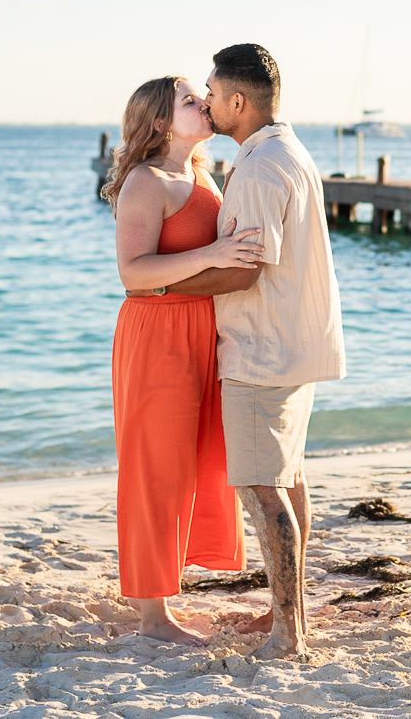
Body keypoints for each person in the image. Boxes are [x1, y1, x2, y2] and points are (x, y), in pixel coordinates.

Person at [136, 44, 346, 659]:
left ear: (238, 101)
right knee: (287, 479)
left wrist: (162, 283)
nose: (206, 101)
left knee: (261, 487)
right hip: (296, 341)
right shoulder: (288, 150)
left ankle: (288, 631)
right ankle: (292, 615)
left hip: (263, 347)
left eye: (212, 92)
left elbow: (243, 273)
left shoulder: (255, 168)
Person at [103, 76, 265, 644]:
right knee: (156, 467)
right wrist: (216, 253)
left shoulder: (201, 173)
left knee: (196, 461)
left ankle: (163, 592)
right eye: (191, 100)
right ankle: (153, 618)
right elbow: (133, 272)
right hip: (158, 334)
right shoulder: (147, 181)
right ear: (160, 123)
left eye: (204, 95)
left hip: (201, 329)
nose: (205, 104)